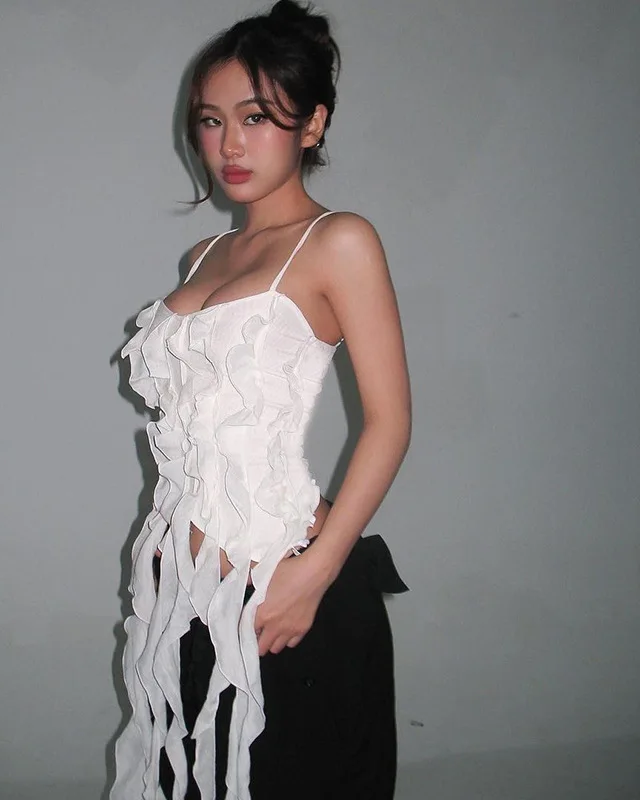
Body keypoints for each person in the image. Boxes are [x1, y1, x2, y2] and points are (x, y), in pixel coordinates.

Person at [113, 2, 411, 798]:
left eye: (256, 117)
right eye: (211, 121)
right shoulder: (204, 253)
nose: (229, 145)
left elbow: (389, 423)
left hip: (287, 589)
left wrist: (312, 577)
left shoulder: (340, 241)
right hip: (185, 596)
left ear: (312, 124)